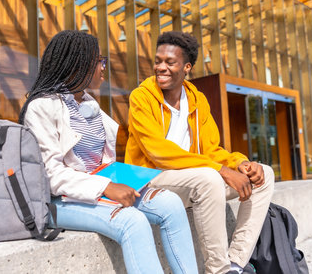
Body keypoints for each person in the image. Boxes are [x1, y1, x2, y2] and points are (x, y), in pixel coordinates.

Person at [19, 30, 198, 274]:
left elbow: (103, 162)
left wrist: (120, 181)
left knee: (171, 203)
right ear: (78, 63)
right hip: (60, 201)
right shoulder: (42, 107)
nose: (104, 68)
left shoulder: (90, 105)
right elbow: (50, 173)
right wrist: (104, 187)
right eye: (99, 61)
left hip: (100, 190)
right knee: (133, 222)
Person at [125, 31, 274, 274]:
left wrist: (241, 164)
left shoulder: (197, 99)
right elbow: (158, 151)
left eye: (169, 62)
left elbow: (212, 149)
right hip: (149, 178)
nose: (160, 67)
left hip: (192, 181)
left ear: (186, 67)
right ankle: (218, 269)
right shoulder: (141, 97)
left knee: (263, 175)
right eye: (158, 60)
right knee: (209, 178)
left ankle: (235, 262)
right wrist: (220, 170)